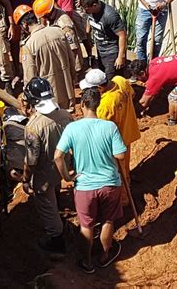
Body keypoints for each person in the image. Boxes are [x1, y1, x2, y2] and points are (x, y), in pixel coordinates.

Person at [54, 87, 126, 273]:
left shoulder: (72, 128)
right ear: (98, 104)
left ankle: (87, 263)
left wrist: (67, 177)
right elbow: (120, 155)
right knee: (108, 221)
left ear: (82, 104)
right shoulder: (110, 127)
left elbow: (58, 156)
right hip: (110, 183)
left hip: (85, 186)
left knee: (87, 225)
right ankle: (104, 256)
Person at [22, 77, 73, 253]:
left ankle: (56, 240)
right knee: (55, 189)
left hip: (45, 171)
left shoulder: (33, 127)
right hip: (63, 165)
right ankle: (59, 209)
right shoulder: (65, 115)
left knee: (45, 200)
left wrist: (25, 179)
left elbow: (32, 159)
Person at [79, 69, 140, 206]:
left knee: (117, 172)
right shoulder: (120, 80)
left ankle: (123, 199)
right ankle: (127, 181)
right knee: (124, 167)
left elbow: (100, 129)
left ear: (99, 87)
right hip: (128, 132)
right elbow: (133, 94)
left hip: (115, 145)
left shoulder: (105, 105)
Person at [14, 4, 75, 110]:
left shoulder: (29, 45)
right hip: (67, 90)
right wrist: (72, 79)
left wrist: (26, 97)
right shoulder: (58, 31)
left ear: (24, 24)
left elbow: (30, 76)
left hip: (48, 96)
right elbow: (71, 60)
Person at [33, 0, 83, 82]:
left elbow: (73, 49)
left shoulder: (64, 24)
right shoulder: (52, 16)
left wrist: (70, 69)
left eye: (44, 17)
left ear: (48, 13)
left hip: (70, 64)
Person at [80, 0, 127, 80]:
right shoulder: (90, 10)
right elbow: (89, 20)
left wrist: (121, 57)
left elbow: (122, 35)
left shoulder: (110, 16)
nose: (85, 11)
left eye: (86, 9)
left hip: (111, 51)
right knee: (102, 77)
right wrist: (88, 34)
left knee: (111, 79)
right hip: (100, 49)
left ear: (94, 5)